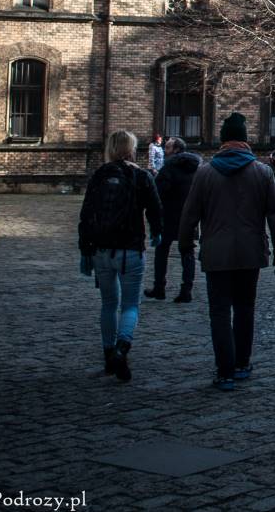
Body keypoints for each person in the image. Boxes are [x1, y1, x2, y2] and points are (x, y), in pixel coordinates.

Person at [178, 113, 275, 391]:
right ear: (246, 140)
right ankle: (241, 363)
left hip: (216, 252)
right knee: (245, 308)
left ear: (223, 140)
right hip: (251, 251)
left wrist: (185, 244)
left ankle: (224, 370)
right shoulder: (262, 172)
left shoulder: (205, 172)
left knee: (219, 312)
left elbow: (190, 214)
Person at [78, 130, 163, 382]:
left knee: (108, 304)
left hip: (101, 250)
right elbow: (156, 210)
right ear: (130, 149)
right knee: (130, 305)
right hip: (130, 249)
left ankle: (109, 356)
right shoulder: (141, 176)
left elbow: (86, 214)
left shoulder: (99, 175)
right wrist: (157, 232)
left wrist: (85, 249)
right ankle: (122, 348)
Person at [145, 136, 201, 303]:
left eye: (168, 148)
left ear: (176, 150)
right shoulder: (197, 167)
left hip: (169, 215)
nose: (165, 150)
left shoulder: (169, 167)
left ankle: (159, 288)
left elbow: (158, 192)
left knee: (162, 251)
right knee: (187, 252)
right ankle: (186, 290)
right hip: (189, 216)